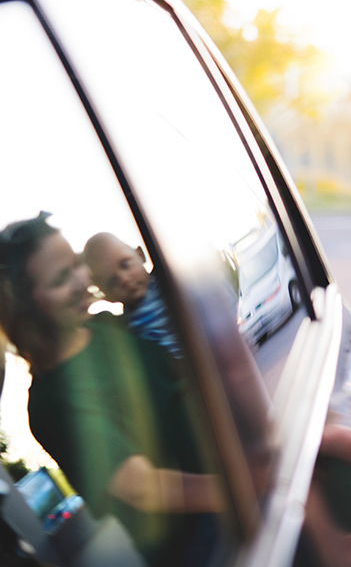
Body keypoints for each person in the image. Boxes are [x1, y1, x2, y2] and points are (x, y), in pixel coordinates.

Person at [0, 213, 221, 566]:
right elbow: (142, 488)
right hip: (208, 542)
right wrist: (241, 488)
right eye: (61, 278)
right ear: (27, 311)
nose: (81, 280)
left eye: (76, 264)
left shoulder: (108, 325)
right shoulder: (50, 404)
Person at [84, 232, 183, 358]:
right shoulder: (124, 328)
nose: (124, 279)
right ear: (108, 296)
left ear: (140, 255)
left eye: (125, 265)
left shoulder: (167, 282)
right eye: (113, 282)